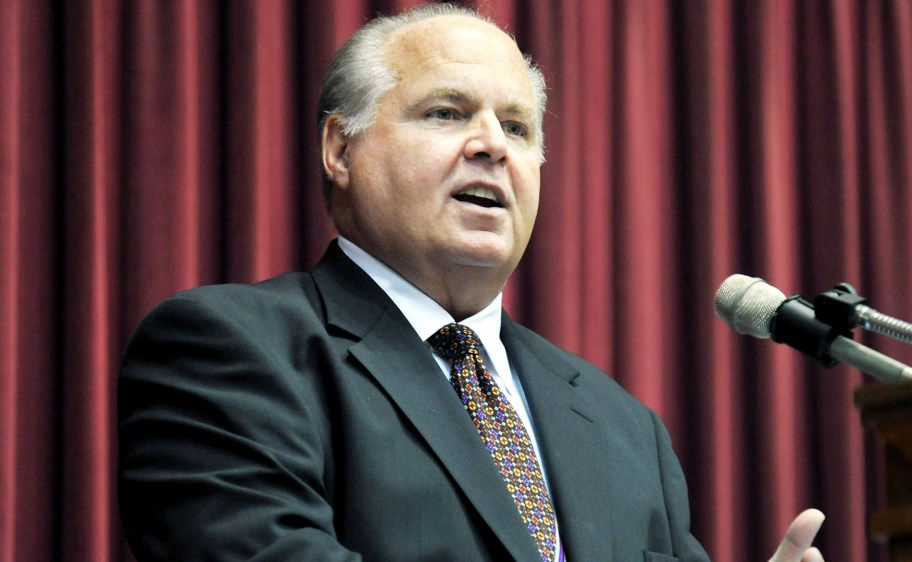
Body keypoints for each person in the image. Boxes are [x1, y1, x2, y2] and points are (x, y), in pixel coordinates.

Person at [117, 4, 825, 561]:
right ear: (341, 148)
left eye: (517, 128)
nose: (492, 146)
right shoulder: (230, 352)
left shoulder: (623, 427)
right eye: (447, 113)